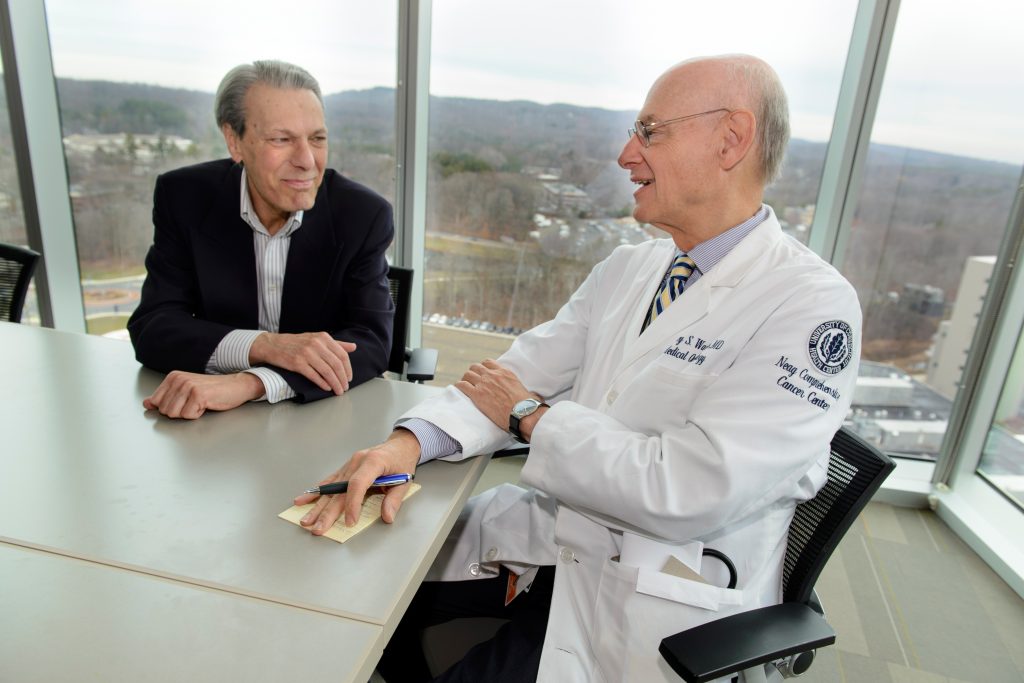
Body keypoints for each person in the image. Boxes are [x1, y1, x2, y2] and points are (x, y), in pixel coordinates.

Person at [297, 54, 861, 682]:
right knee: (347, 581)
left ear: (731, 139)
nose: (626, 155)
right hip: (558, 541)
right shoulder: (630, 269)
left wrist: (530, 417)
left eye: (650, 132)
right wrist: (408, 443)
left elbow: (689, 488)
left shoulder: (811, 307)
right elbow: (515, 374)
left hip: (654, 604)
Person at [128, 60, 394, 419]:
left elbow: (371, 344)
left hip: (319, 421)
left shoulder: (363, 215)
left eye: (317, 138)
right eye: (282, 140)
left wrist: (250, 382)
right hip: (207, 431)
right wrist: (264, 346)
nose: (306, 161)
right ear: (234, 141)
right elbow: (154, 327)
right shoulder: (184, 196)